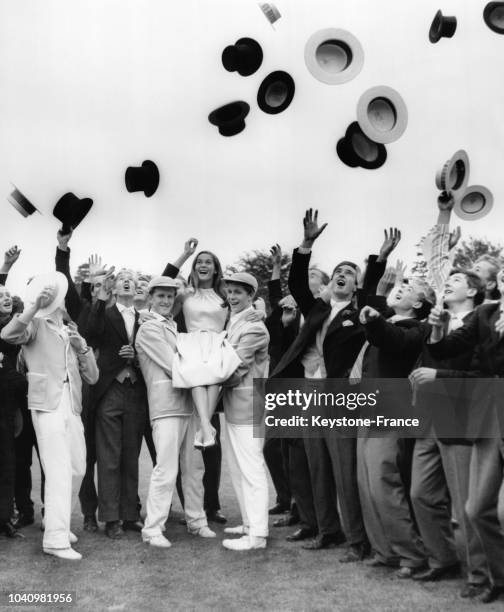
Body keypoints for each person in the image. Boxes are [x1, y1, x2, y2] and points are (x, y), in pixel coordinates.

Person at [271, 209, 369, 558]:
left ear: (357, 286)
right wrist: (307, 244)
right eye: (339, 271)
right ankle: (329, 531)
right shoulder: (316, 310)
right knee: (317, 468)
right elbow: (297, 284)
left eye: (350, 273)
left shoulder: (360, 315)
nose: (342, 275)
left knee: (344, 471)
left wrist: (379, 264)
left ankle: (358, 540)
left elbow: (375, 305)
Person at [1, 272, 98, 560]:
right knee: (57, 470)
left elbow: (92, 377)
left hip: (72, 404)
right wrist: (31, 308)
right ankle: (55, 540)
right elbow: (7, 334)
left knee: (78, 467)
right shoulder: (34, 325)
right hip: (46, 404)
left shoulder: (70, 328)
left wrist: (83, 347)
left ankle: (60, 523)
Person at [426, 266, 504, 603]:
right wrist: (436, 329)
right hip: (491, 419)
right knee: (476, 509)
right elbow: (443, 349)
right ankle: (498, 579)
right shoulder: (487, 313)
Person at [135, 276, 214, 547]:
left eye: (170, 296)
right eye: (161, 296)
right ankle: (153, 529)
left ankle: (196, 521)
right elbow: (175, 366)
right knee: (166, 468)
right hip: (166, 406)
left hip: (188, 405)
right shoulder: (148, 329)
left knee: (194, 467)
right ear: (150, 299)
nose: (166, 301)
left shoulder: (173, 326)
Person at [85, 268, 148, 539]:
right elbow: (89, 334)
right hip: (109, 389)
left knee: (130, 456)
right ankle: (111, 518)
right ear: (115, 287)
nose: (126, 281)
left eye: (131, 280)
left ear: (136, 290)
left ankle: (130, 515)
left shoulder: (145, 319)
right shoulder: (105, 313)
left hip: (136, 390)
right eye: (122, 278)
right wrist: (100, 298)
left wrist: (134, 356)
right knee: (109, 458)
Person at [170, 247, 241, 448]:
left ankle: (204, 427)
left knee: (213, 379)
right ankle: (206, 427)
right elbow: (166, 313)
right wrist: (184, 254)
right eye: (199, 262)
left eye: (208, 262)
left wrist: (259, 313)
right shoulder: (185, 294)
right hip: (192, 341)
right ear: (194, 267)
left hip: (217, 341)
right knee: (198, 377)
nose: (203, 265)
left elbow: (244, 307)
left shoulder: (225, 294)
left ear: (216, 269)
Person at [220, 272, 270, 551]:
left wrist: (204, 376)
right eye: (230, 291)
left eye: (239, 292)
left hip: (248, 403)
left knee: (251, 470)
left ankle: (258, 535)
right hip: (235, 404)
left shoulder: (254, 327)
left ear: (251, 295)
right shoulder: (237, 320)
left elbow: (236, 369)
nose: (233, 296)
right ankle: (251, 524)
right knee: (238, 468)